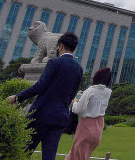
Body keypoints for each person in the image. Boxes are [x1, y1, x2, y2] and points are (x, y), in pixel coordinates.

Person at [6, 31, 83, 160]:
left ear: (61, 46)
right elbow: (73, 94)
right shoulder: (79, 69)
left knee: (23, 152)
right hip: (60, 117)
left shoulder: (54, 63)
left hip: (41, 115)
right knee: (49, 156)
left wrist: (17, 97)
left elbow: (39, 86)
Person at [65, 67, 113, 160]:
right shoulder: (108, 92)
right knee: (81, 155)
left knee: (77, 155)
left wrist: (74, 102)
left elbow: (79, 110)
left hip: (87, 126)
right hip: (98, 127)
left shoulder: (90, 90)